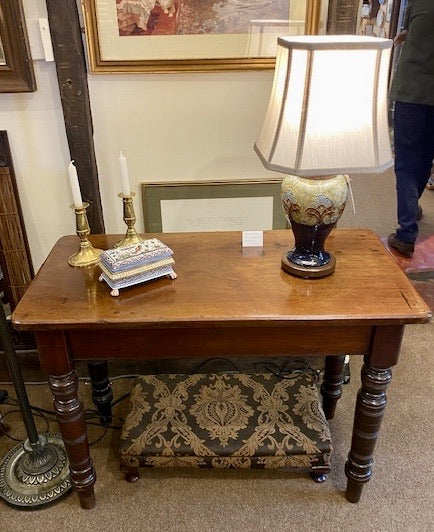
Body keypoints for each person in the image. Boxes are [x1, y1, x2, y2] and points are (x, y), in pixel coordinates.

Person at [388, 0, 434, 257]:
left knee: (406, 162)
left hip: (412, 94)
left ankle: (406, 233)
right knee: (425, 157)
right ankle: (412, 206)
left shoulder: (419, 3)